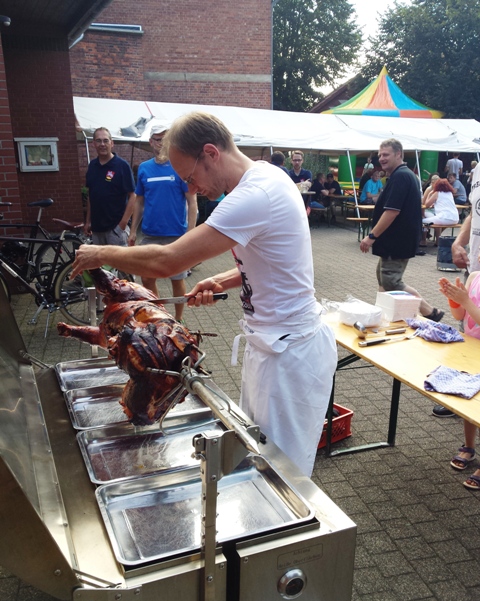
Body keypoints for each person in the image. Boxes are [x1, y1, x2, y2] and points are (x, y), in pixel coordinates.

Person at [71, 111, 337, 478]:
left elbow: (168, 260)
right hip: (274, 345)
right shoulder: (266, 177)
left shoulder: (255, 194)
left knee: (281, 470)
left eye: (190, 178)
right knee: (256, 452)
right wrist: (222, 281)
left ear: (210, 153)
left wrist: (101, 253)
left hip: (290, 353)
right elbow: (274, 259)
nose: (193, 189)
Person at [359, 138, 444, 323]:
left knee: (391, 281)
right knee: (383, 278)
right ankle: (382, 315)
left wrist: (371, 236)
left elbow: (392, 211)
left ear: (399, 154)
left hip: (397, 240)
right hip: (394, 240)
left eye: (386, 154)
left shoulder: (401, 176)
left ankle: (430, 311)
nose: (381, 158)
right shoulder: (400, 175)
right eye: (380, 155)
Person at [128, 126, 198, 323]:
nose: (161, 143)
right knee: (147, 279)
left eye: (165, 139)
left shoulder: (179, 167)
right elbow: (139, 202)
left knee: (177, 278)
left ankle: (178, 319)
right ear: (151, 142)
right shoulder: (144, 168)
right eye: (157, 139)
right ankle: (161, 317)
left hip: (176, 235)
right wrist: (133, 231)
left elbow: (192, 202)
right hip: (150, 235)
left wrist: (191, 233)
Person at [431, 161, 480, 419]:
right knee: (468, 333)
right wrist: (459, 242)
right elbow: (474, 212)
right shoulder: (478, 170)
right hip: (475, 270)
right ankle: (465, 392)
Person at [438, 272, 480, 489]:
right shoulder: (474, 277)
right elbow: (459, 316)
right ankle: (469, 447)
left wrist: (465, 300)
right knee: (468, 399)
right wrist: (454, 299)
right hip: (471, 351)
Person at [85, 127, 135, 246]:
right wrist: (88, 221)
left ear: (112, 143)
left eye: (105, 140)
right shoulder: (92, 166)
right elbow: (91, 196)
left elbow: (133, 196)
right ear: (93, 144)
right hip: (96, 230)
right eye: (98, 141)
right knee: (99, 259)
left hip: (115, 230)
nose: (102, 144)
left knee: (120, 259)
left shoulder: (122, 166)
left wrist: (122, 224)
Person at [423, 177, 459, 244]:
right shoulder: (449, 193)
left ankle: (423, 239)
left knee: (422, 221)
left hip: (444, 218)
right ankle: (436, 240)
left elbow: (427, 204)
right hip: (455, 219)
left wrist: (429, 194)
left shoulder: (437, 193)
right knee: (430, 222)